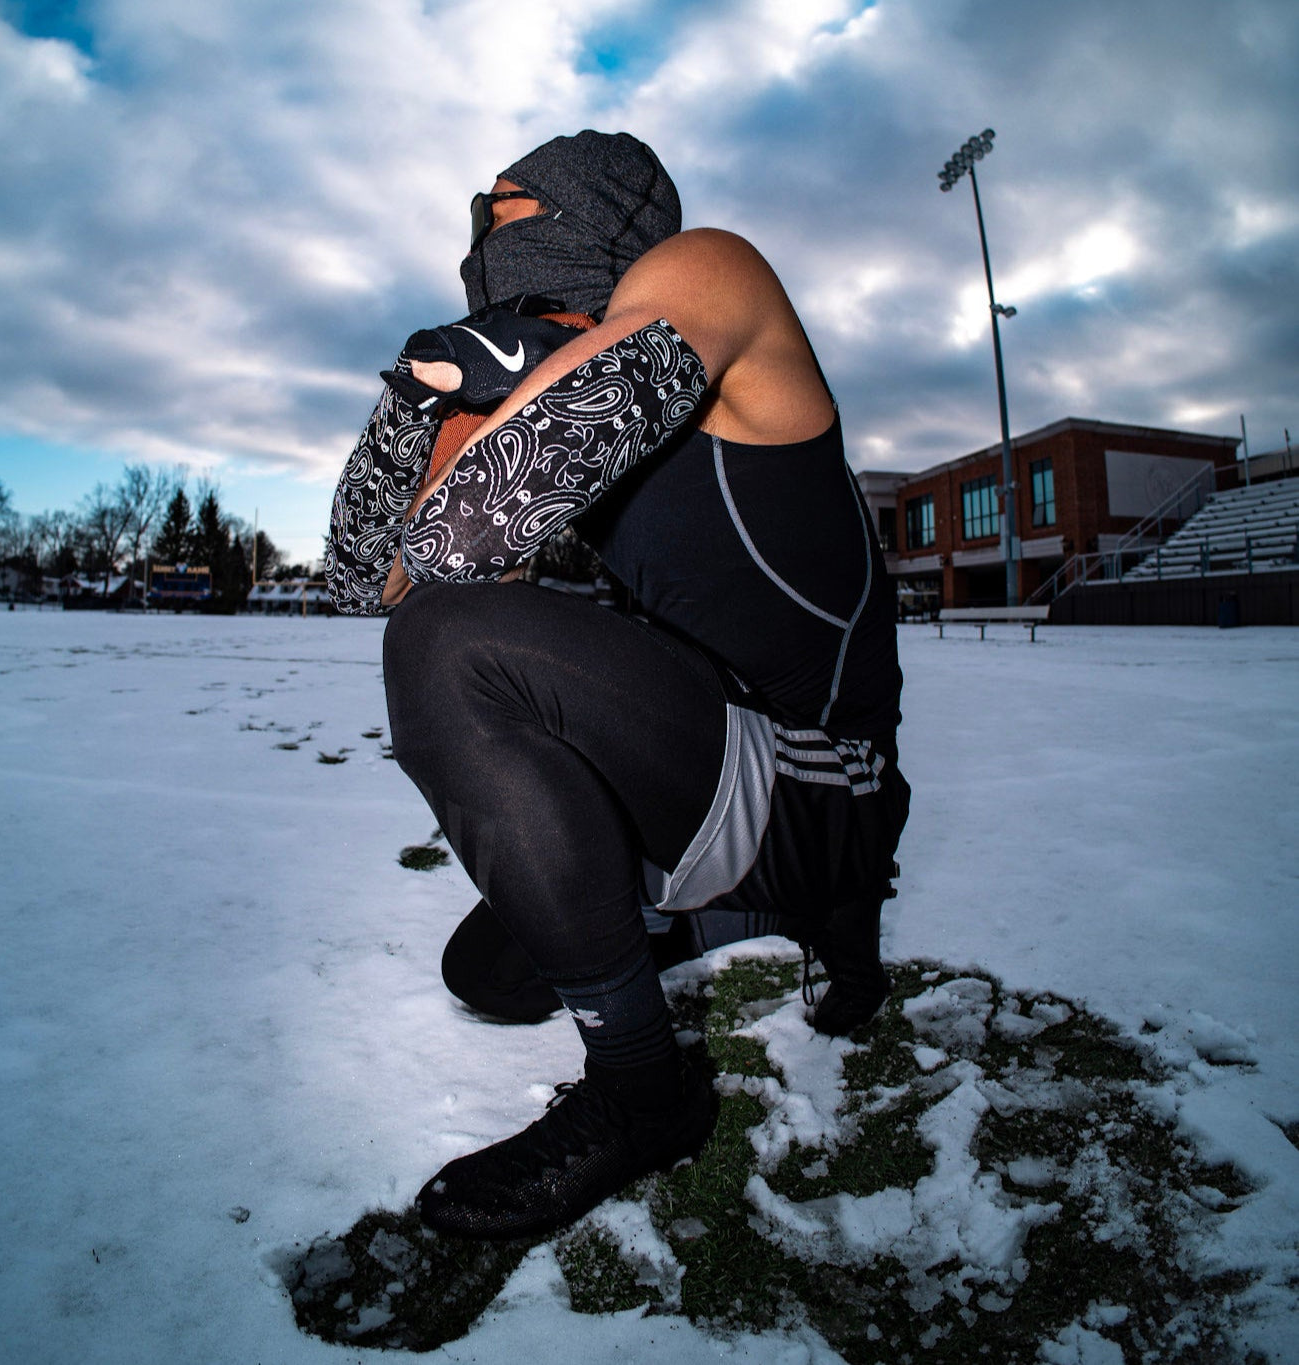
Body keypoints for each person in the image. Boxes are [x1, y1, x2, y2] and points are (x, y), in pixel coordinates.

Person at [327, 130, 908, 1241]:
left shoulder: (710, 271)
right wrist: (413, 400)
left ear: (595, 214)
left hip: (826, 776)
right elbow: (369, 576)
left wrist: (496, 378)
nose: (485, 237)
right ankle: (754, 912)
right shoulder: (540, 377)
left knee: (451, 643)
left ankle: (648, 1093)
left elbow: (465, 537)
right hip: (710, 759)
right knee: (494, 971)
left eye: (509, 213)